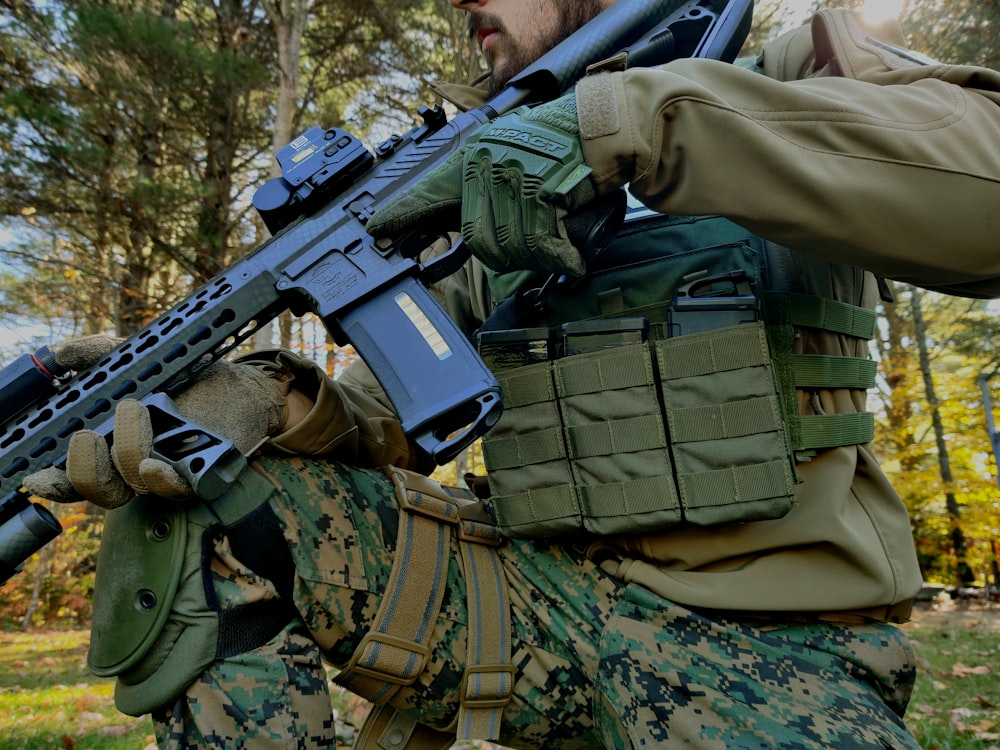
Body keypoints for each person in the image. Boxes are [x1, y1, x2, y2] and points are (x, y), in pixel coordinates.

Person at [23, 0, 1000, 747]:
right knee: (202, 496)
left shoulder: (789, 69)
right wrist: (257, 399)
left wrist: (633, 125)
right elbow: (391, 414)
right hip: (533, 612)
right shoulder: (485, 194)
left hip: (780, 650)